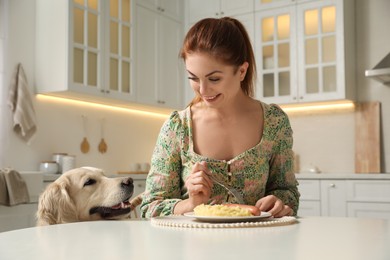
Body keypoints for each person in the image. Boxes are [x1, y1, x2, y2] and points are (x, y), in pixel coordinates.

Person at [140, 17, 299, 218]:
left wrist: (279, 202)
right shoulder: (178, 127)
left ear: (241, 71)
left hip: (258, 246)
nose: (203, 90)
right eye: (193, 78)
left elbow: (288, 193)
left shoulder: (275, 122)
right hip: (190, 247)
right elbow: (150, 207)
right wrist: (191, 203)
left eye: (214, 78)